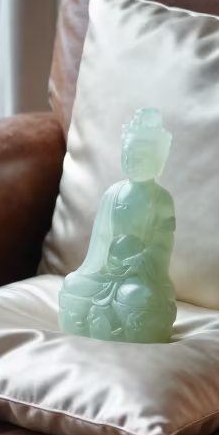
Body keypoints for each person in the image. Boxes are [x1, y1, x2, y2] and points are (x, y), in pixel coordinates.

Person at [59, 108, 177, 344]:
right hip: (108, 271)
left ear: (158, 158)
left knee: (136, 297)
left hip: (140, 275)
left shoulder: (161, 200)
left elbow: (163, 247)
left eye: (141, 155)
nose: (133, 161)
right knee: (73, 284)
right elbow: (100, 244)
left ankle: (124, 325)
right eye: (129, 154)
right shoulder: (112, 194)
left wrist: (140, 260)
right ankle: (97, 323)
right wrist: (105, 264)